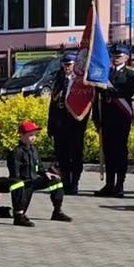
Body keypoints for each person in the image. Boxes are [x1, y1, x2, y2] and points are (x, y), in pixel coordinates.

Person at [6, 121, 71, 225]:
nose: (33, 137)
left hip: (34, 181)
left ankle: (57, 211)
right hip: (24, 184)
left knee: (56, 181)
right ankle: (11, 214)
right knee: (20, 211)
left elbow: (39, 167)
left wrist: (46, 173)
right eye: (30, 135)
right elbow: (15, 175)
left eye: (34, 135)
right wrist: (20, 187)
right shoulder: (16, 153)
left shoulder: (33, 150)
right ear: (22, 135)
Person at [95, 45, 134, 197]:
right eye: (113, 56)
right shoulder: (105, 73)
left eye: (119, 56)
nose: (115, 58)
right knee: (108, 152)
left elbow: (127, 91)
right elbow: (97, 98)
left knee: (119, 152)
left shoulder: (130, 73)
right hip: (106, 118)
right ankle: (109, 184)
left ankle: (119, 184)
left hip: (120, 117)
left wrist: (108, 90)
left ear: (126, 57)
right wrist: (97, 118)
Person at [47, 53, 90, 194]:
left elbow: (85, 104)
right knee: (62, 155)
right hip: (60, 125)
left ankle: (75, 181)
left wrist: (82, 122)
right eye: (65, 65)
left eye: (70, 65)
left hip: (75, 125)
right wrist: (51, 126)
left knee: (75, 155)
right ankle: (65, 181)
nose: (67, 68)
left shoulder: (80, 82)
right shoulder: (59, 80)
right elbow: (52, 106)